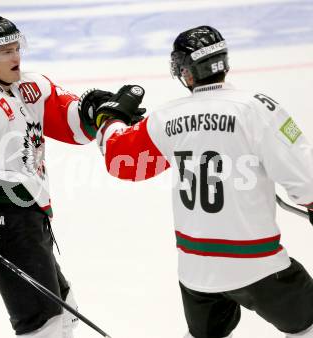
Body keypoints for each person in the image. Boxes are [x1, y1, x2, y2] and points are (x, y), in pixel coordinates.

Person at [87, 26, 313, 338]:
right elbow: (307, 180)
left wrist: (110, 119)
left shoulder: (166, 118)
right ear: (224, 62)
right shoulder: (257, 108)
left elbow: (121, 161)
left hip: (197, 271)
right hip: (257, 264)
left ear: (186, 74)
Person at [0, 16, 113, 338]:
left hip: (31, 218)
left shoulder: (26, 88)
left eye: (17, 48)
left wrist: (98, 111)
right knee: (43, 323)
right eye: (5, 52)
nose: (16, 57)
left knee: (64, 310)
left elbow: (70, 123)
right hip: (2, 224)